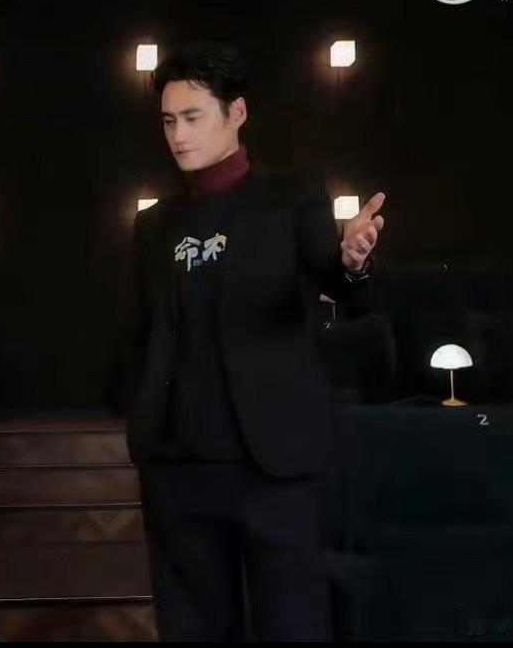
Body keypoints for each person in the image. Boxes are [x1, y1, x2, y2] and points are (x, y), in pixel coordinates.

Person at [122, 41, 386, 641]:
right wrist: (143, 425)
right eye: (169, 121)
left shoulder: (290, 198)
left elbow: (335, 278)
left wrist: (353, 261)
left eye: (193, 117)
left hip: (274, 461)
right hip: (178, 466)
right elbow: (138, 334)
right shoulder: (153, 225)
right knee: (191, 627)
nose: (178, 135)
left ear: (236, 113)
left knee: (293, 624)